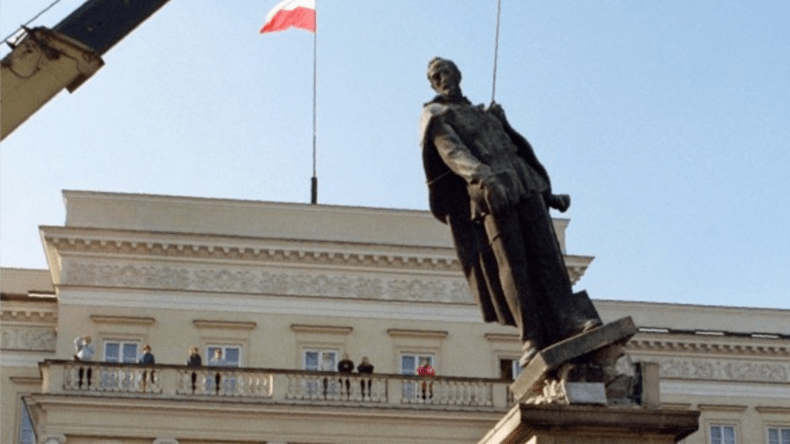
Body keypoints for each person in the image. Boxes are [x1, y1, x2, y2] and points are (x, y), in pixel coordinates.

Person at [420, 57, 602, 364]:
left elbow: (516, 148)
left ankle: (570, 319)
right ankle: (530, 336)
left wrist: (548, 193)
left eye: (446, 71)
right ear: (433, 84)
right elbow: (453, 152)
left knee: (547, 255)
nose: (443, 78)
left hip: (523, 181)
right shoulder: (435, 114)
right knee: (512, 262)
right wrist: (482, 176)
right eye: (436, 76)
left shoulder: (486, 113)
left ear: (458, 74)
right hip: (491, 191)